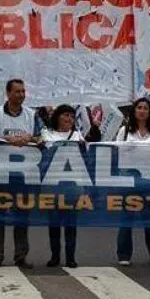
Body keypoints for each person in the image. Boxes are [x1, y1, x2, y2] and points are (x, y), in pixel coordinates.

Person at [0, 79, 43, 269]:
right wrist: (5, 139)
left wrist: (32, 138)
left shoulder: (32, 115)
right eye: (17, 91)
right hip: (1, 174)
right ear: (8, 93)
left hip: (24, 174)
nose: (21, 95)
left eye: (23, 91)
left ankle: (21, 255)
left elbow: (42, 137)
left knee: (22, 217)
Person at [115, 98, 150, 267]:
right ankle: (124, 254)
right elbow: (116, 151)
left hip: (149, 180)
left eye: (146, 108)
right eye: (139, 107)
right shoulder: (124, 131)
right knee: (126, 219)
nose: (142, 111)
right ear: (134, 110)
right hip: (129, 179)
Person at [41, 104, 84, 268]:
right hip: (53, 184)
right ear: (57, 116)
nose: (69, 119)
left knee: (71, 223)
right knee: (54, 223)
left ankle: (71, 257)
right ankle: (55, 256)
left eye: (72, 116)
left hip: (72, 185)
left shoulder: (77, 135)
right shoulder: (47, 133)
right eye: (65, 115)